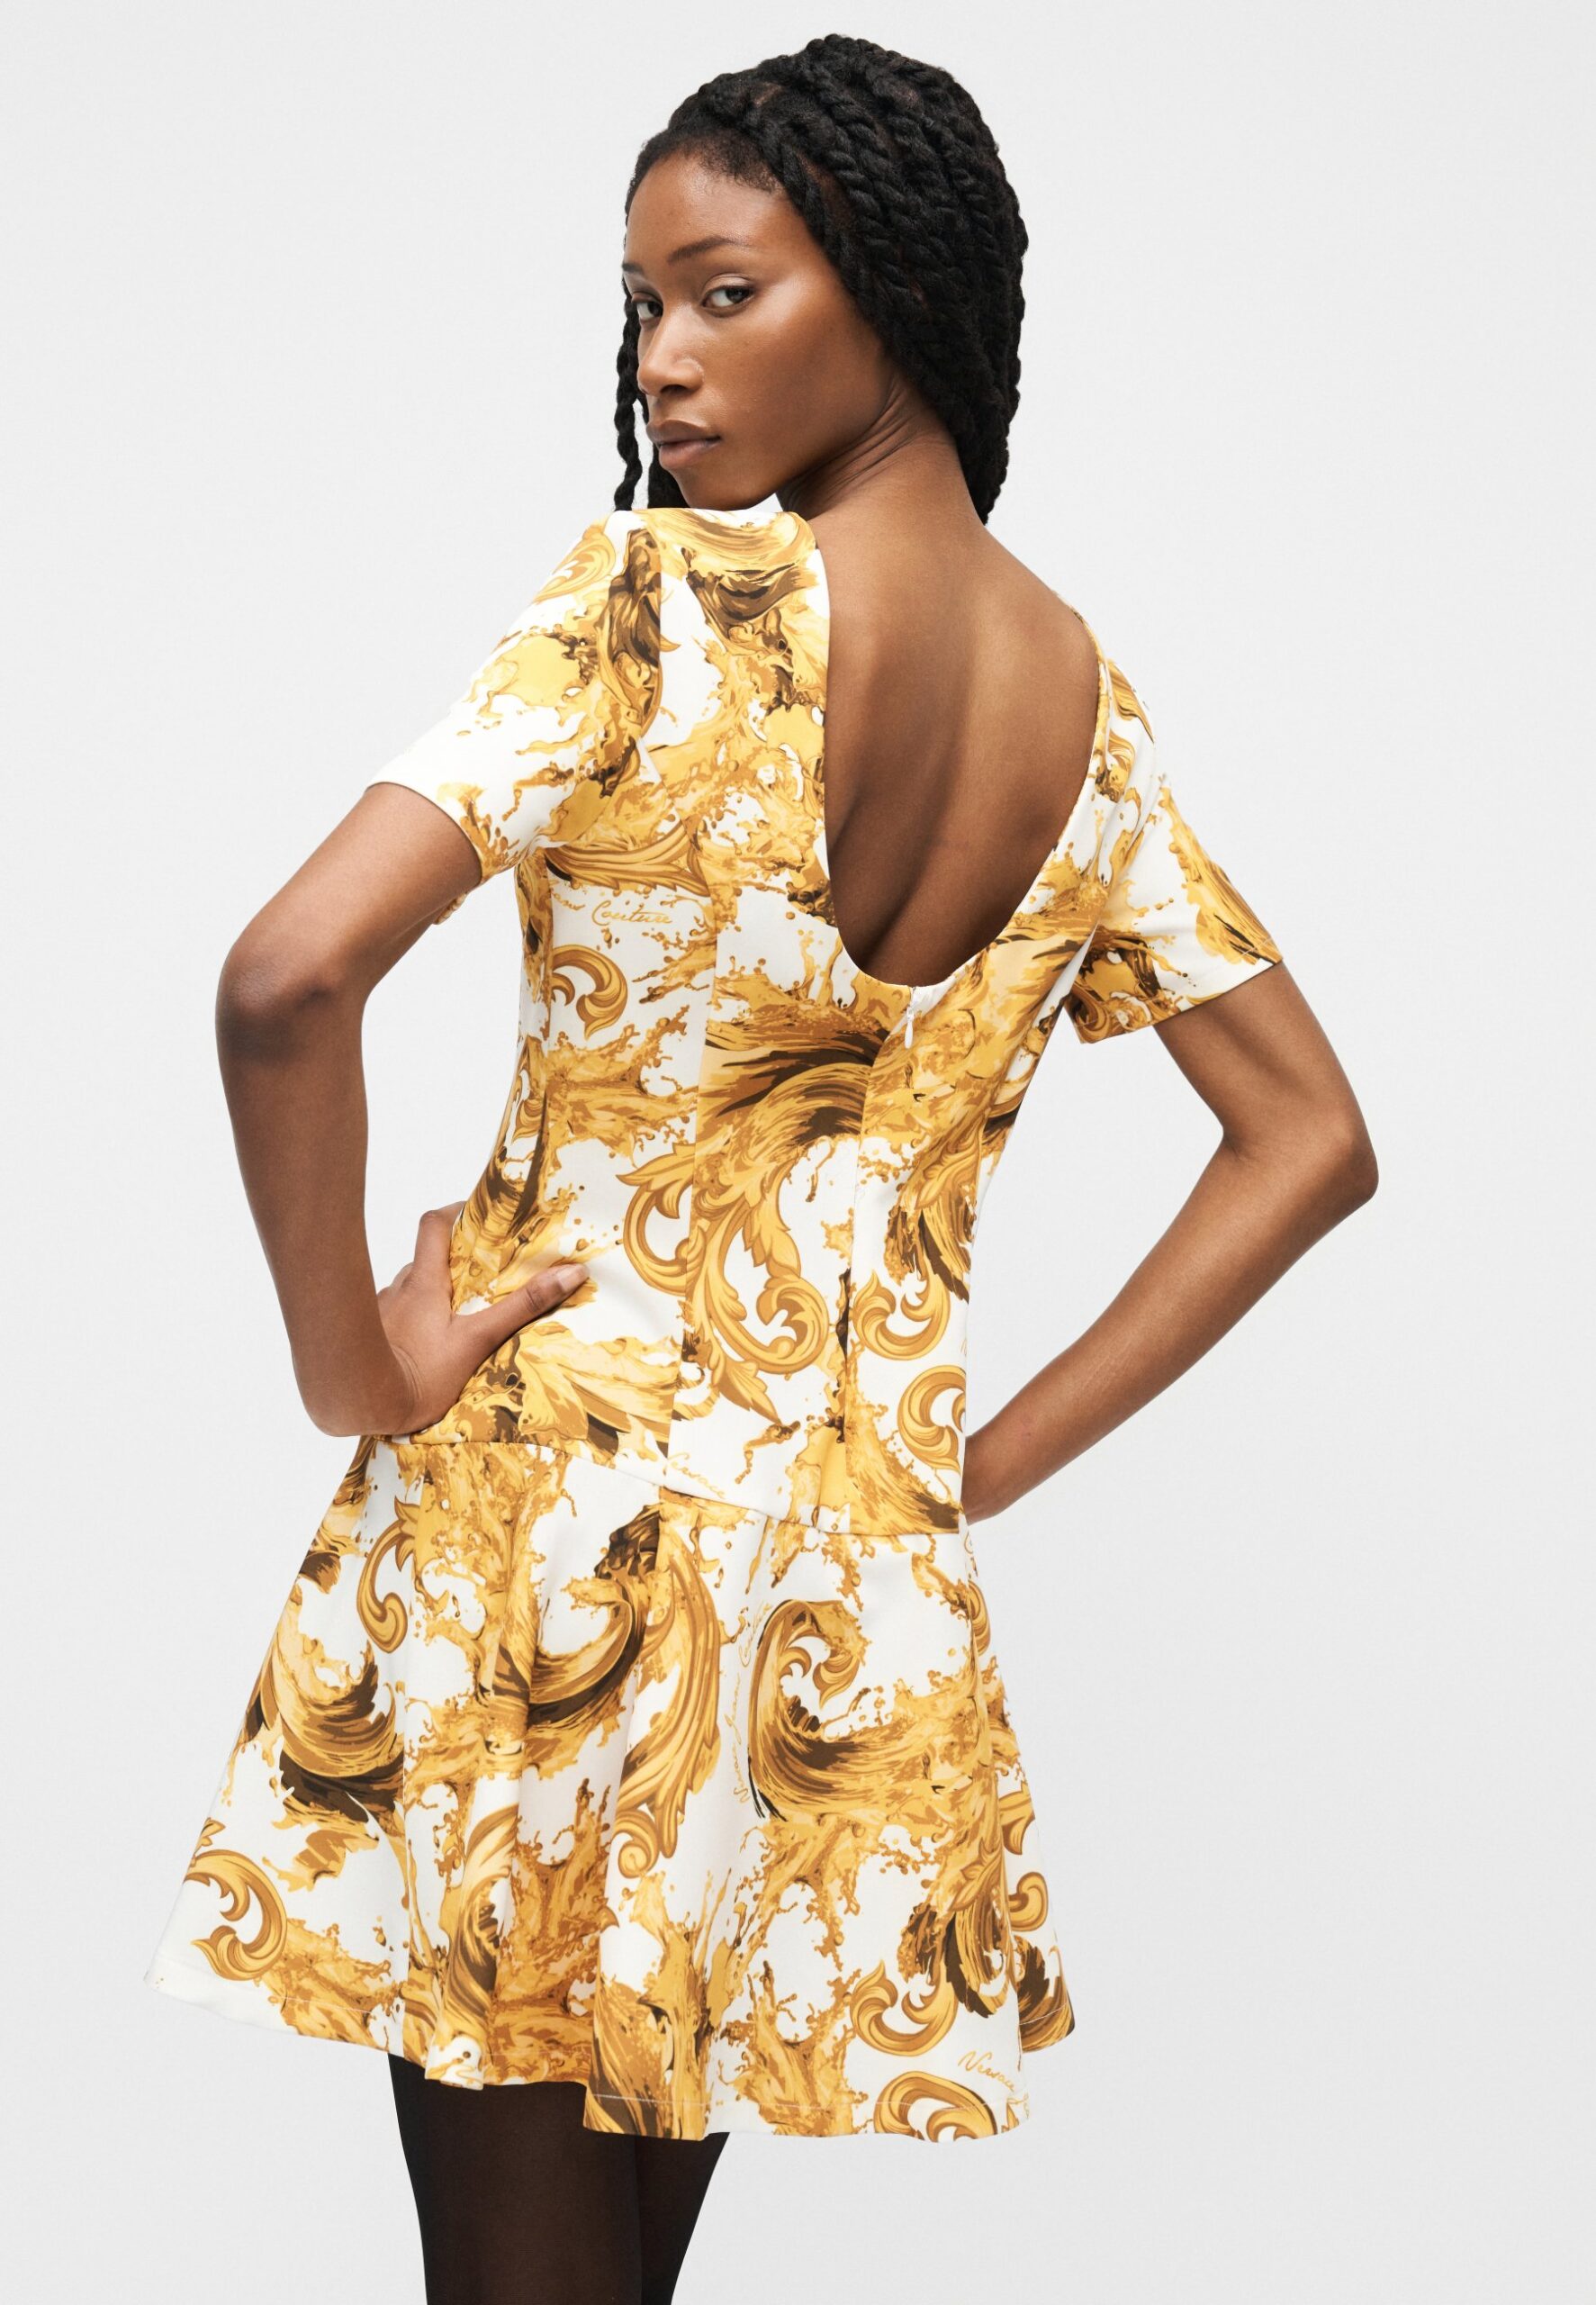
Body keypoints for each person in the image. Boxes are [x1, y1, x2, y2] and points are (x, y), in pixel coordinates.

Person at [141, 33, 1377, 2305]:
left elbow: (284, 977)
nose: (661, 358)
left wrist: (352, 1367)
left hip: (544, 1550)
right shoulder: (1081, 709)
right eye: (641, 305)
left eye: (723, 291)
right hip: (821, 1593)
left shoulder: (655, 602)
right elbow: (1305, 1136)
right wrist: (951, 1468)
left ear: (891, 284)